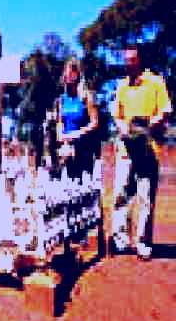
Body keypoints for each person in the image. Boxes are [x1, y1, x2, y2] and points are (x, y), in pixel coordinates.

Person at [110, 45, 172, 259]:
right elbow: (116, 114)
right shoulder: (122, 86)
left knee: (145, 196)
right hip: (126, 149)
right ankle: (120, 240)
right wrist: (123, 128)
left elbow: (166, 110)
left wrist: (149, 125)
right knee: (121, 194)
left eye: (132, 60)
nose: (129, 64)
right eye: (126, 60)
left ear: (140, 61)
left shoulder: (155, 82)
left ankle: (143, 242)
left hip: (148, 148)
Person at [55, 57, 100, 181]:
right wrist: (61, 135)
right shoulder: (62, 100)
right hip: (67, 150)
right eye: (65, 73)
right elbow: (60, 122)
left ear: (77, 75)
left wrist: (76, 134)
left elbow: (94, 122)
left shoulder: (86, 97)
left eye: (70, 73)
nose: (67, 76)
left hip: (84, 149)